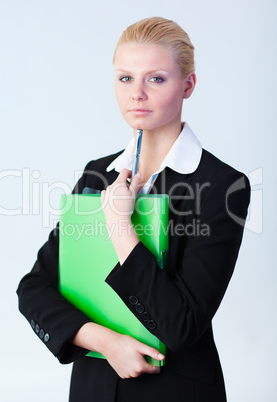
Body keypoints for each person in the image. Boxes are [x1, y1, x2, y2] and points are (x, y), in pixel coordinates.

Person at [17, 17, 250, 401]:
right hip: (93, 388)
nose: (137, 93)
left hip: (176, 390)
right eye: (125, 78)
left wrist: (120, 227)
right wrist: (104, 341)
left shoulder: (224, 186)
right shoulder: (98, 173)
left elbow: (181, 325)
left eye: (155, 79)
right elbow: (34, 288)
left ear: (188, 85)